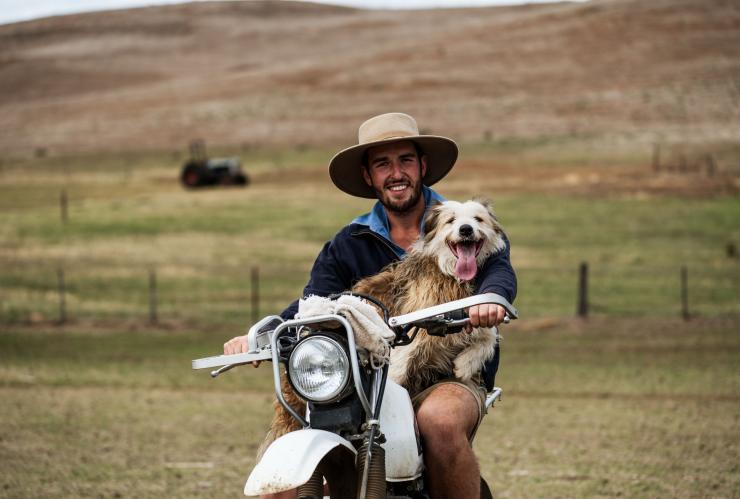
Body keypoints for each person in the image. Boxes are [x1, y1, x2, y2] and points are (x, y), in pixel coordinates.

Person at [224, 112, 517, 499]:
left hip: (451, 372)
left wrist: (491, 302)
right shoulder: (350, 241)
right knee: (299, 441)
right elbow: (315, 301)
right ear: (368, 176)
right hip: (365, 379)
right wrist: (261, 333)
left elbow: (499, 273)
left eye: (405, 161)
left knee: (440, 422)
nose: (396, 173)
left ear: (423, 166)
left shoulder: (467, 225)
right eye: (383, 164)